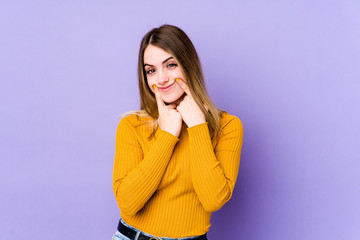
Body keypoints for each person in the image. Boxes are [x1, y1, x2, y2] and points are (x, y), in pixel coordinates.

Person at [112, 24, 243, 240]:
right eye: (151, 70)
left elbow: (213, 199)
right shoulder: (131, 125)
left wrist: (198, 125)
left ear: (188, 65)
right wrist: (168, 135)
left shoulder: (227, 126)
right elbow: (128, 202)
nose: (161, 79)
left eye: (170, 65)